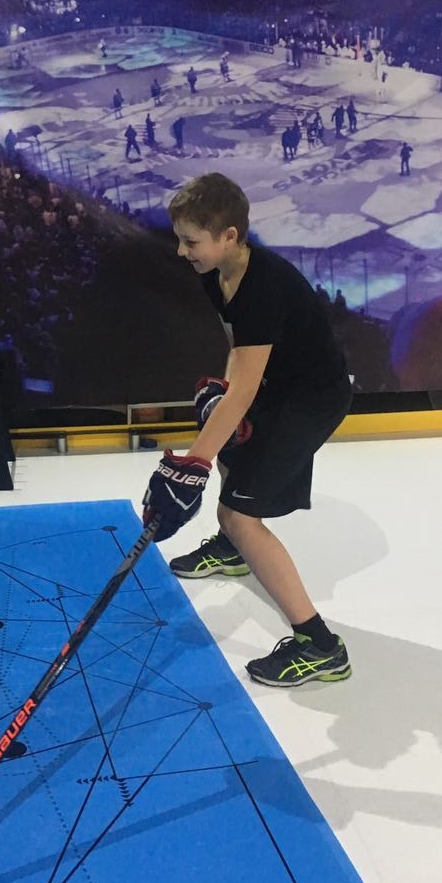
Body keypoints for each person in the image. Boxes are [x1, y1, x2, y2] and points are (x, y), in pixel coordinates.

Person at [140, 173, 353, 688]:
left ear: (229, 235)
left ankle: (321, 646)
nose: (181, 251)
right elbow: (240, 353)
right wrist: (222, 400)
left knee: (239, 514)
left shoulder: (262, 286)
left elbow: (245, 388)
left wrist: (191, 463)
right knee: (231, 441)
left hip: (311, 400)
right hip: (279, 386)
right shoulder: (216, 274)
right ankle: (232, 551)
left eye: (191, 241)